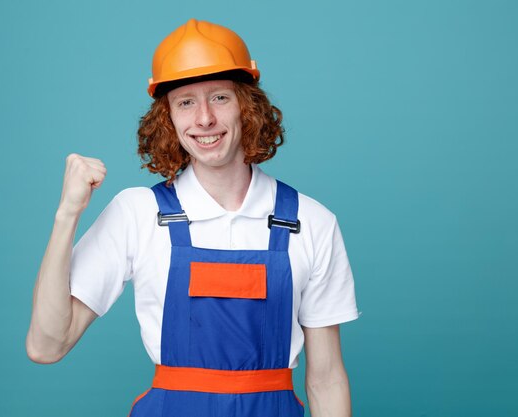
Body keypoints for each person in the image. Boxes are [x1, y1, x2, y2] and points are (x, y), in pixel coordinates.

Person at [26, 19, 359, 417]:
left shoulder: (311, 221)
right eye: (185, 101)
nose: (204, 119)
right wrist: (67, 215)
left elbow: (326, 379)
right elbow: (47, 346)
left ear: (247, 107)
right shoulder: (138, 214)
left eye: (219, 97)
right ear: (167, 118)